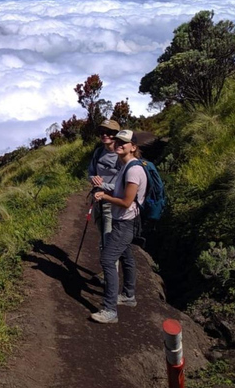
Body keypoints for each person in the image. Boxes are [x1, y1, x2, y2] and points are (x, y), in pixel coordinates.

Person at [90, 130, 147, 324]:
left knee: (107, 259)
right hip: (125, 221)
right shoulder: (126, 166)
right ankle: (129, 296)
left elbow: (126, 201)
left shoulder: (133, 170)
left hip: (125, 221)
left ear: (133, 147)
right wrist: (103, 187)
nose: (120, 144)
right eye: (119, 140)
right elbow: (119, 190)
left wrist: (104, 197)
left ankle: (110, 310)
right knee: (126, 255)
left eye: (125, 142)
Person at [87, 119, 121, 252]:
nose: (104, 135)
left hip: (112, 202)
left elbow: (123, 185)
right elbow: (90, 172)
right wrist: (93, 179)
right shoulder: (99, 152)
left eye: (109, 132)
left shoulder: (121, 156)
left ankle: (109, 272)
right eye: (102, 132)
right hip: (97, 201)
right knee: (103, 238)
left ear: (116, 134)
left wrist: (103, 186)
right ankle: (107, 271)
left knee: (108, 242)